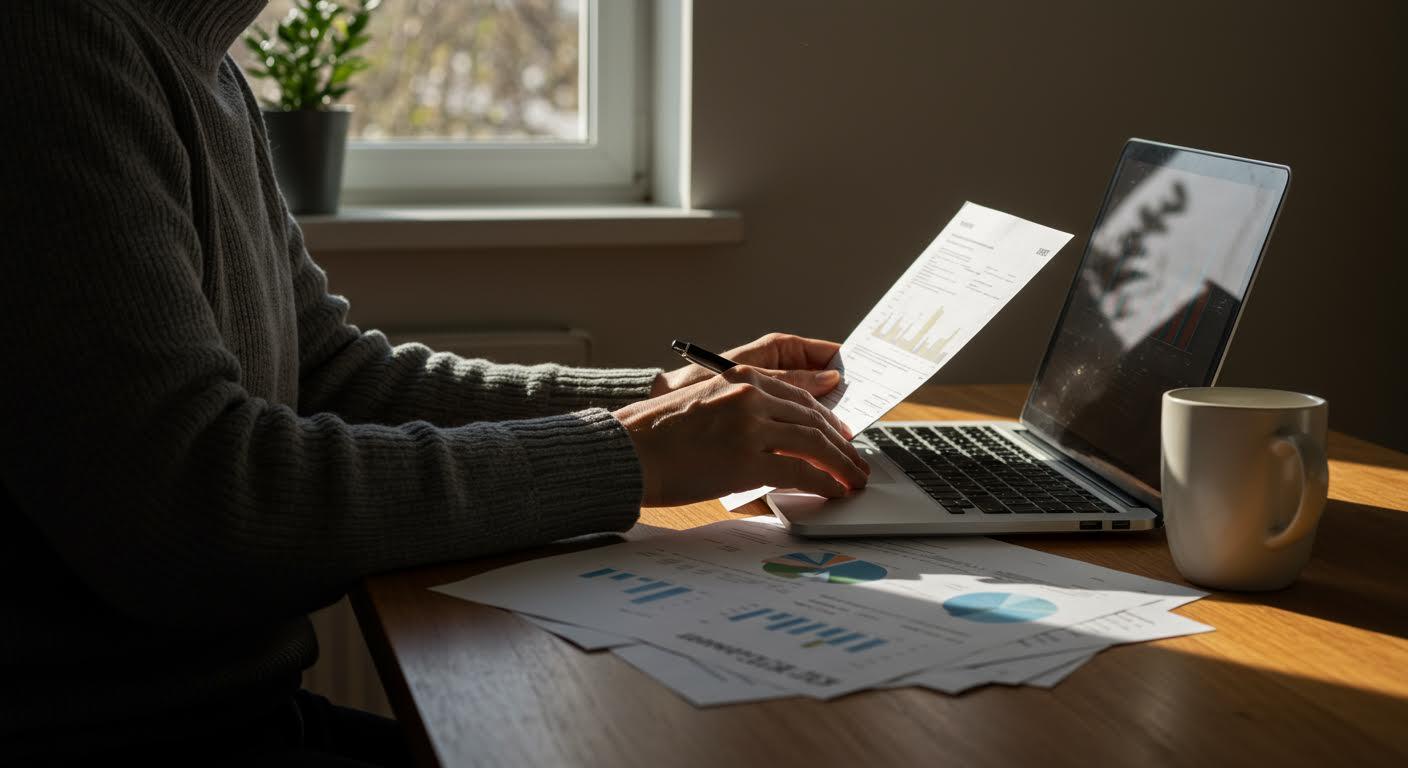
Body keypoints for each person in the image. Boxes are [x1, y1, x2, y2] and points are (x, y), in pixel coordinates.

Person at [0, 1, 868, 763]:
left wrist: (663, 399)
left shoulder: (199, 58)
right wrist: (629, 454)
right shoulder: (51, 45)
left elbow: (332, 372)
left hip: (232, 719)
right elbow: (193, 508)